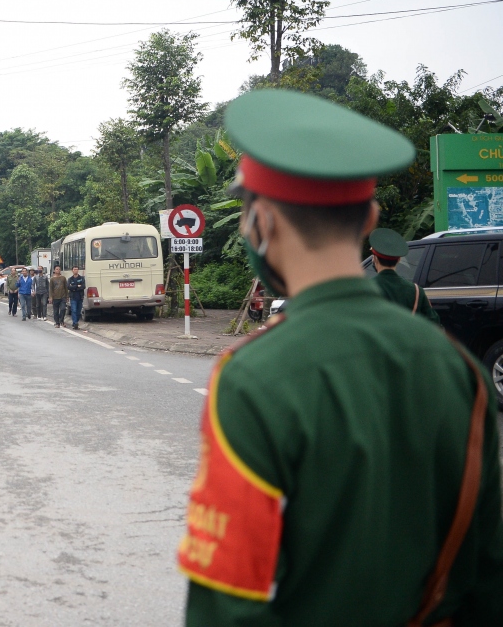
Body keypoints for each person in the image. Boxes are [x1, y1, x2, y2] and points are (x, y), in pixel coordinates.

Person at [179, 88, 503, 625]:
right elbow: (488, 578)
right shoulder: (461, 372)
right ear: (371, 216)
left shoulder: (254, 379)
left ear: (263, 222)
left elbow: (225, 604)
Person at [369, 227, 440, 324]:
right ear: (398, 260)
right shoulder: (416, 291)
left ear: (375, 258)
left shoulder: (365, 288)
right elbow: (434, 324)